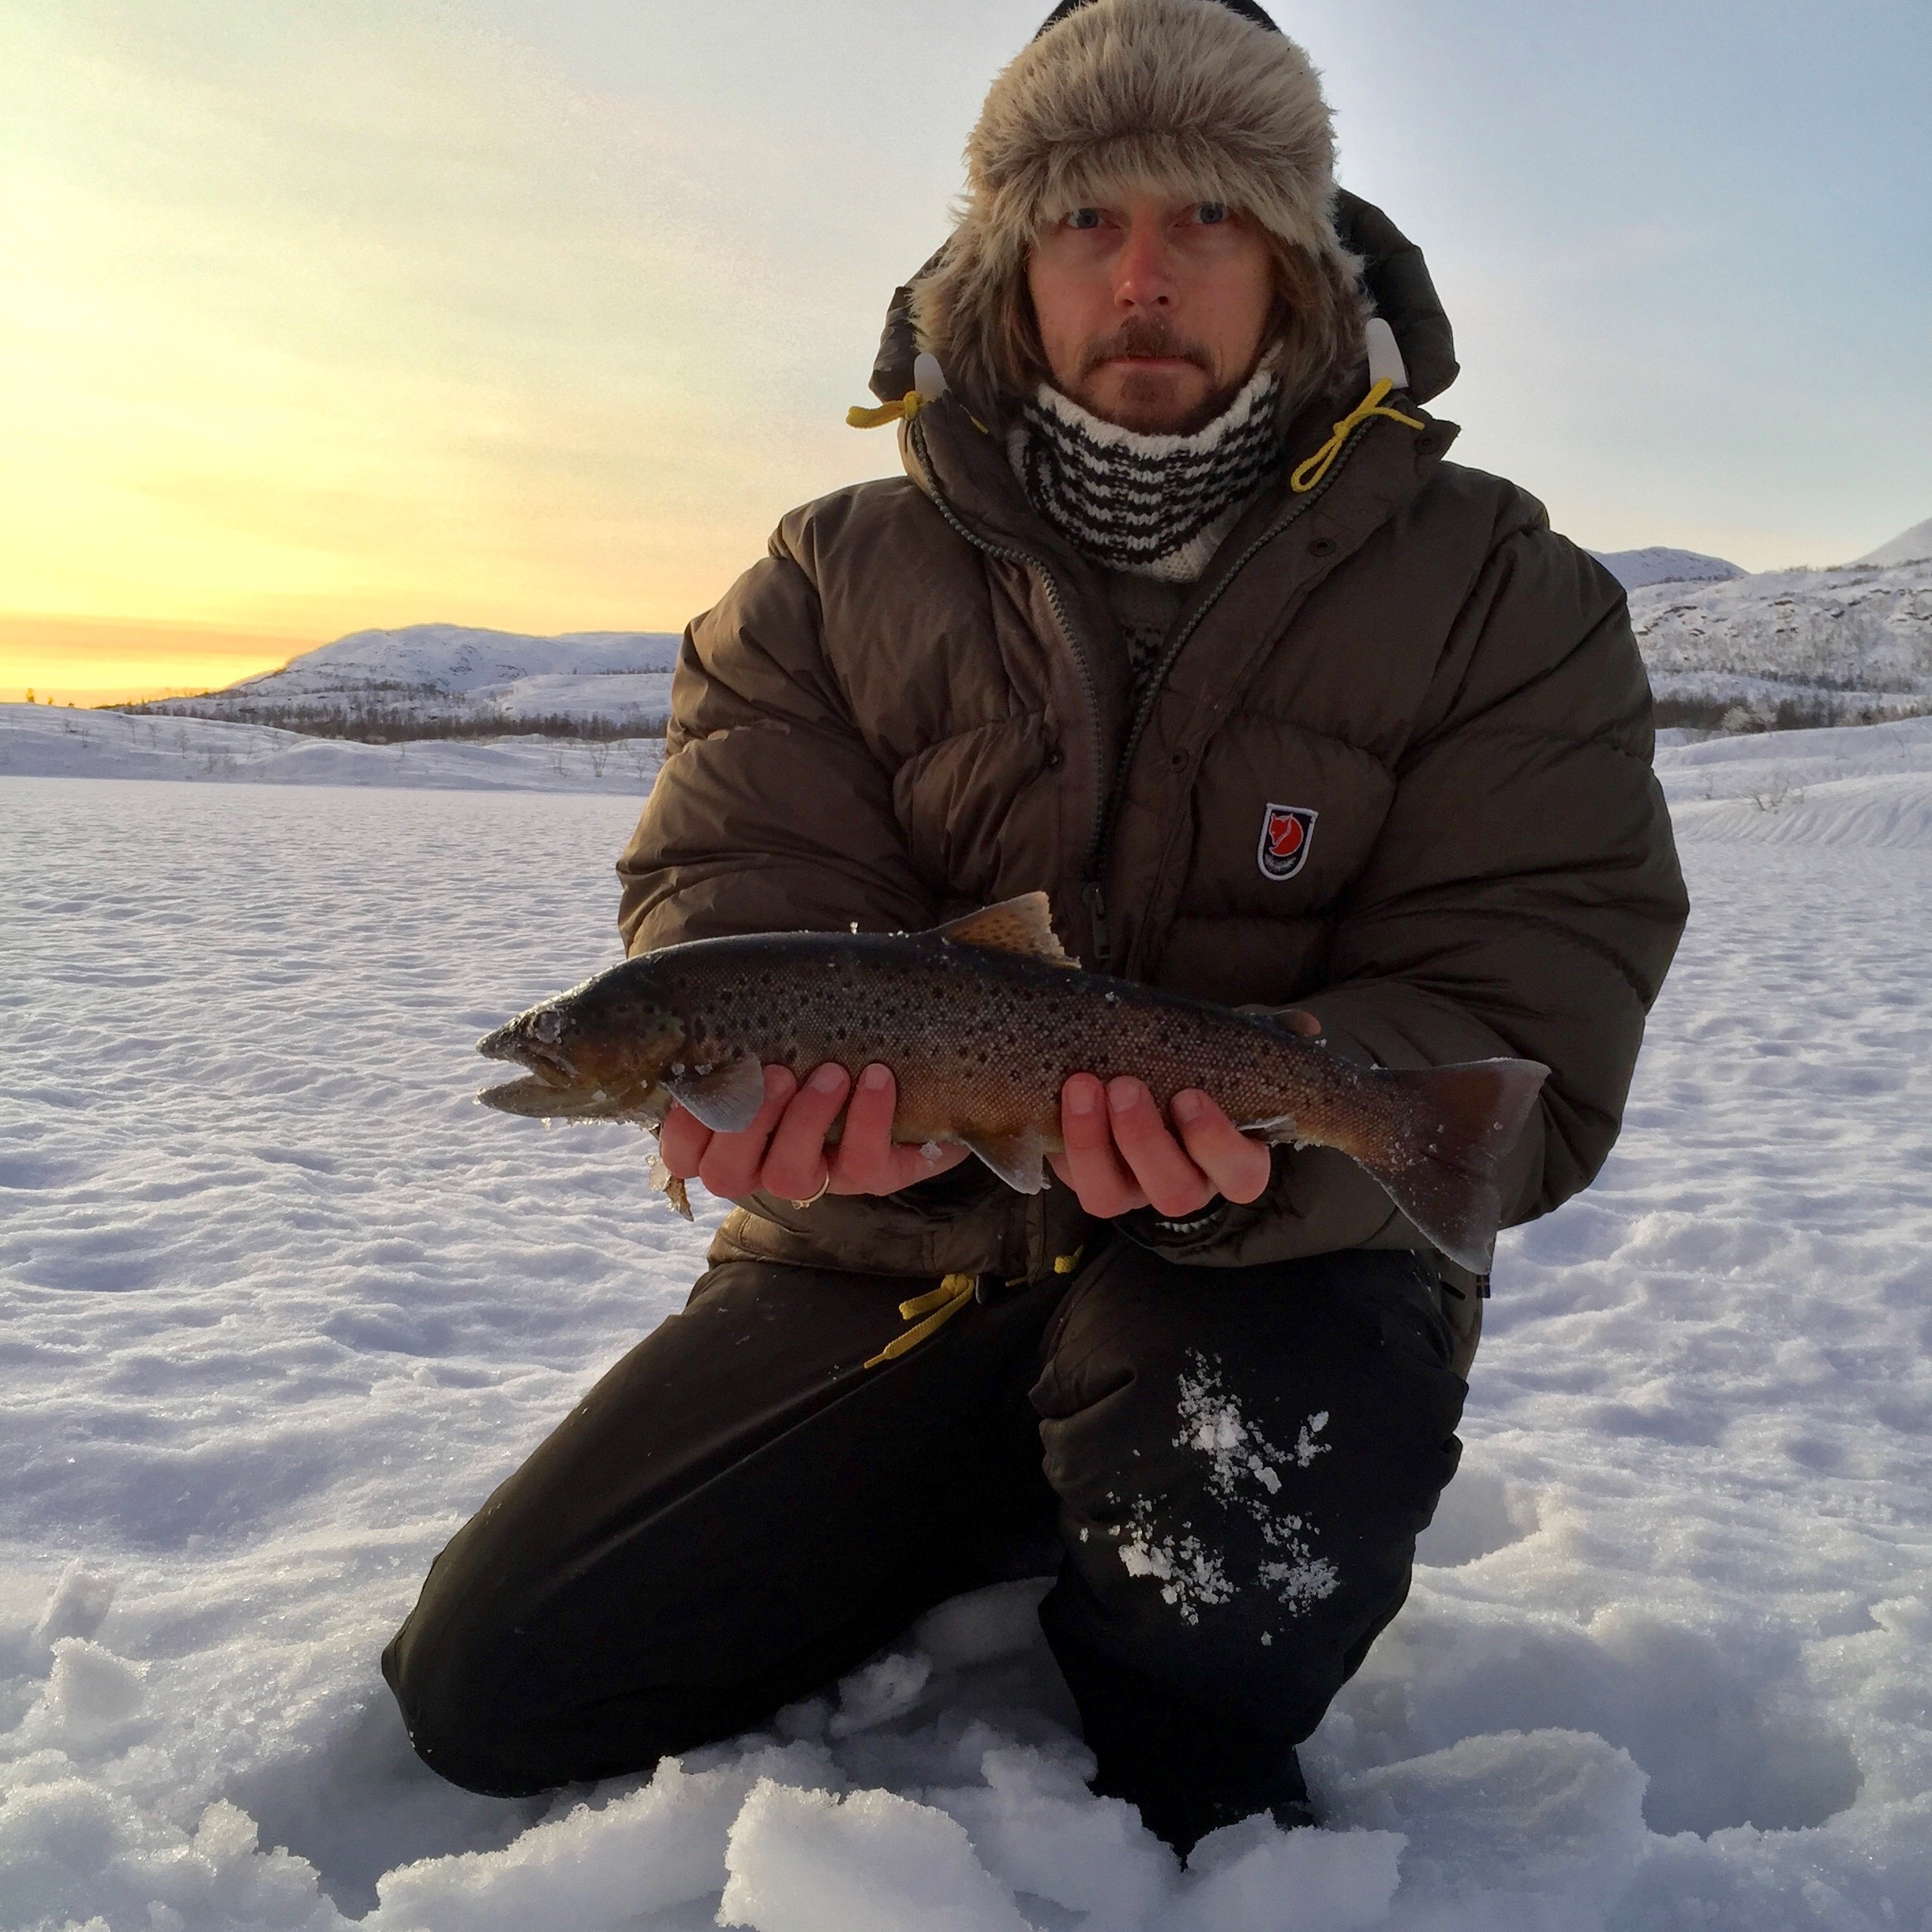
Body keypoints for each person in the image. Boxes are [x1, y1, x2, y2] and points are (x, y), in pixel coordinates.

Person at [384, 0, 1687, 1852]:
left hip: (1275, 1275)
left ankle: (1159, 1679)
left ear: (1299, 258)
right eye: (1086, 217)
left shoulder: (1506, 594)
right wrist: (817, 1140)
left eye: (1207, 213)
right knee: (498, 1690)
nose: (1142, 273)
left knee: (1210, 1647)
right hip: (885, 1255)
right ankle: (987, 1477)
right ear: (1010, 257)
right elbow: (741, 890)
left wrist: (1281, 1130)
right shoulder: (827, 578)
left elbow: (1526, 982)